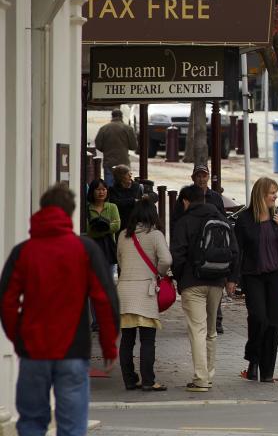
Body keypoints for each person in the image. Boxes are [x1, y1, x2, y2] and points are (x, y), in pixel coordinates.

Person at [1, 183, 119, 436]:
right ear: (71, 213)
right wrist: (109, 344)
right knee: (72, 426)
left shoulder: (23, 252)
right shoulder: (85, 250)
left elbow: (7, 301)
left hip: (33, 350)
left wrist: (18, 337)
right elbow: (104, 299)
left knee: (31, 422)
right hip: (73, 349)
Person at [171, 184, 238, 392]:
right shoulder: (220, 219)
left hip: (193, 282)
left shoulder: (184, 222)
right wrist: (230, 278)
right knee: (210, 331)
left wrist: (180, 280)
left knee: (197, 330)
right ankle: (208, 375)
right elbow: (234, 250)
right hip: (216, 281)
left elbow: (178, 255)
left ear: (185, 201)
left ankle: (200, 379)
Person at [231, 177, 278, 383]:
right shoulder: (244, 220)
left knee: (274, 323)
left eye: (276, 193)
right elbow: (237, 251)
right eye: (271, 193)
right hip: (253, 276)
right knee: (259, 318)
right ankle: (253, 360)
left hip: (276, 275)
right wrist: (232, 279)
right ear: (261, 194)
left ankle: (267, 371)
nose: (275, 196)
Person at [115, 196, 170, 392]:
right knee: (147, 339)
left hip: (124, 291)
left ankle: (130, 380)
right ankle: (148, 380)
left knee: (127, 340)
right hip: (145, 292)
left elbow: (120, 260)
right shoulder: (155, 235)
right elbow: (166, 260)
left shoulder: (123, 235)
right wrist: (158, 273)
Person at [94, 108, 138, 185]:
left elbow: (98, 144)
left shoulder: (104, 128)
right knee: (123, 185)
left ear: (112, 116)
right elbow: (133, 146)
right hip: (124, 162)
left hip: (109, 161)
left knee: (109, 185)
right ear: (121, 116)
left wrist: (106, 150)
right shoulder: (128, 129)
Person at [85, 180, 120, 274]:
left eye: (104, 189)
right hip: (91, 250)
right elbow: (87, 230)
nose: (101, 192)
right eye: (98, 189)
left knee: (109, 281)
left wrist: (97, 228)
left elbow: (117, 226)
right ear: (92, 191)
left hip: (108, 249)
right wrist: (107, 226)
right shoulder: (87, 208)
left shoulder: (112, 207)